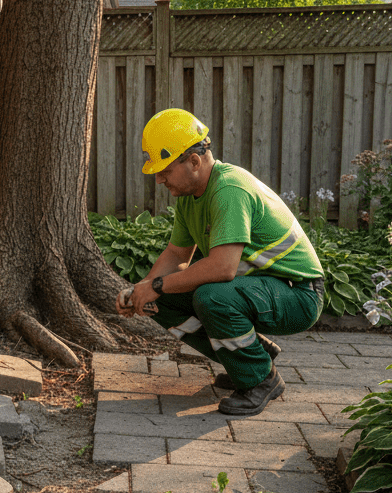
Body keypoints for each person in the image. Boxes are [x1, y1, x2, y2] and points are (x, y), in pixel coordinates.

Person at [116, 108, 325, 416]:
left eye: (165, 171)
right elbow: (176, 255)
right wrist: (142, 290)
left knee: (211, 296)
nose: (159, 179)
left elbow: (223, 268)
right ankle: (250, 357)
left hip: (299, 294)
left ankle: (260, 379)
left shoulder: (228, 189)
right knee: (159, 301)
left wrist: (157, 285)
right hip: (263, 288)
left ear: (194, 161)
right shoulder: (190, 197)